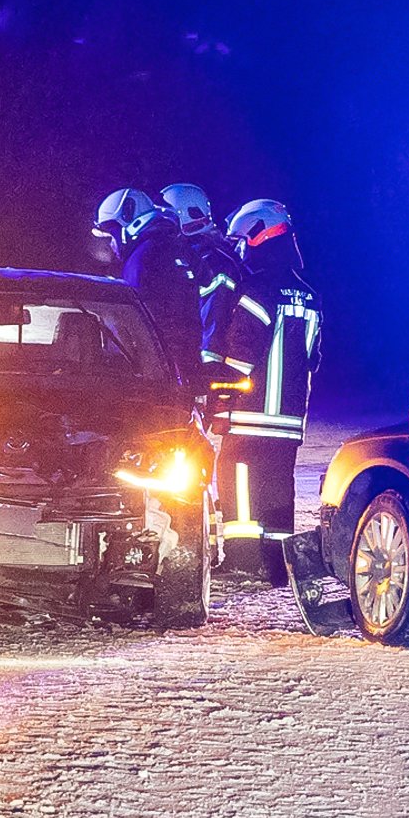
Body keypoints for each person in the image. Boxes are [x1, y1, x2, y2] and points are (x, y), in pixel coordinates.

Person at [213, 199, 322, 581]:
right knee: (278, 488)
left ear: (259, 234)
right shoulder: (309, 294)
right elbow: (313, 357)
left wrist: (218, 395)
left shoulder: (256, 288)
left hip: (249, 412)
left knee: (237, 479)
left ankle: (242, 560)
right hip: (289, 418)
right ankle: (277, 565)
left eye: (242, 239)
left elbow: (242, 353)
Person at [92, 188, 203, 386]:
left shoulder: (142, 259)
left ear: (129, 223)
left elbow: (135, 323)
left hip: (155, 371)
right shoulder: (174, 248)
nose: (111, 245)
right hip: (183, 365)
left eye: (111, 236)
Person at [159, 183, 249, 401]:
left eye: (166, 217)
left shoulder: (210, 260)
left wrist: (204, 379)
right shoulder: (208, 254)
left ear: (180, 217)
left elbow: (214, 319)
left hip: (204, 373)